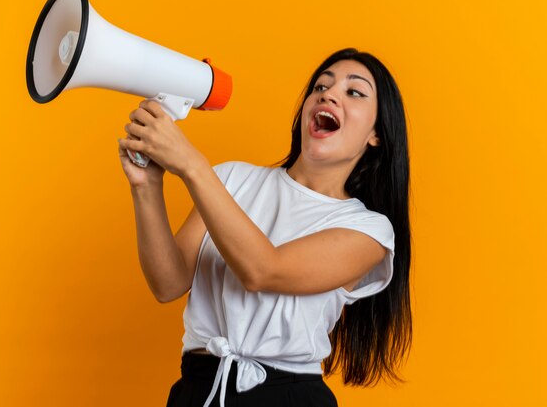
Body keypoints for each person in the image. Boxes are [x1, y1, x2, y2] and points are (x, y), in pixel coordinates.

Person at [117, 48, 412, 407]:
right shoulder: (231, 179)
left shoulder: (369, 231)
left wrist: (192, 166)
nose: (328, 93)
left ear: (376, 135)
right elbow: (168, 283)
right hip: (198, 390)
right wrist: (146, 185)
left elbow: (263, 270)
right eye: (321, 85)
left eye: (354, 92)